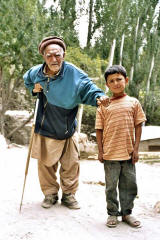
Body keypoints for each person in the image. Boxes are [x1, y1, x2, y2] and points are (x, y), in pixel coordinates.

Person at [23, 36, 108, 210]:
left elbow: (88, 88)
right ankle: (50, 194)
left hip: (67, 125)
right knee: (45, 164)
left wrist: (99, 97)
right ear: (44, 57)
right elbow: (28, 80)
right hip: (45, 124)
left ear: (64, 54)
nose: (54, 59)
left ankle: (68, 195)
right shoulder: (36, 72)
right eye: (49, 56)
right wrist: (34, 88)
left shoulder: (74, 73)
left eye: (58, 55)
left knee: (71, 163)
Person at [95, 65, 146, 228]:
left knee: (129, 185)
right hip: (110, 154)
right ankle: (112, 214)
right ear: (107, 85)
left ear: (126, 80)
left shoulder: (133, 103)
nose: (116, 83)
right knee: (111, 187)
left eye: (119, 79)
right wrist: (101, 151)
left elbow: (139, 125)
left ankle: (127, 213)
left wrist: (136, 149)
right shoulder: (103, 105)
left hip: (128, 153)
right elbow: (99, 129)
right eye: (111, 81)